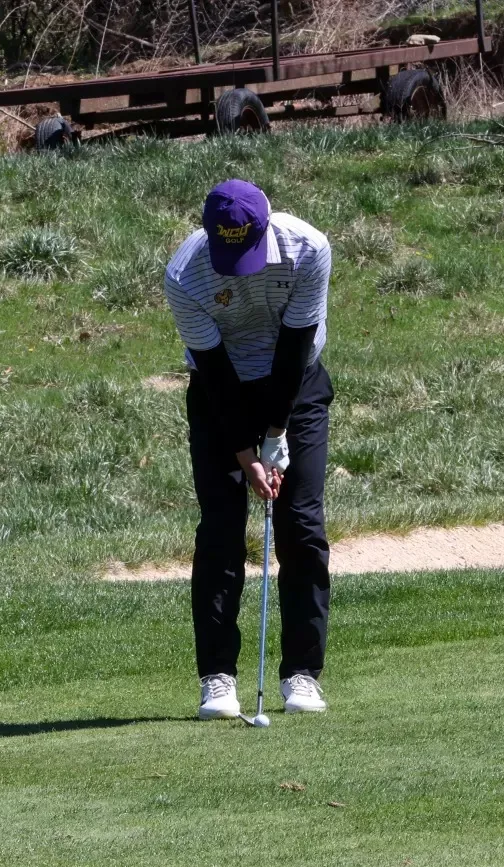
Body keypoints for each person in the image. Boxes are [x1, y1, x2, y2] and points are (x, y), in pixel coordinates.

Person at [164, 179, 334, 720]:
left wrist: (276, 438)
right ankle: (217, 678)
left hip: (296, 383)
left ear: (266, 228)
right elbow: (212, 373)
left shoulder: (309, 250)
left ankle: (302, 675)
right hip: (223, 391)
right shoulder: (185, 273)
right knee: (220, 528)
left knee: (300, 524)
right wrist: (246, 456)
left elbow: (293, 349)